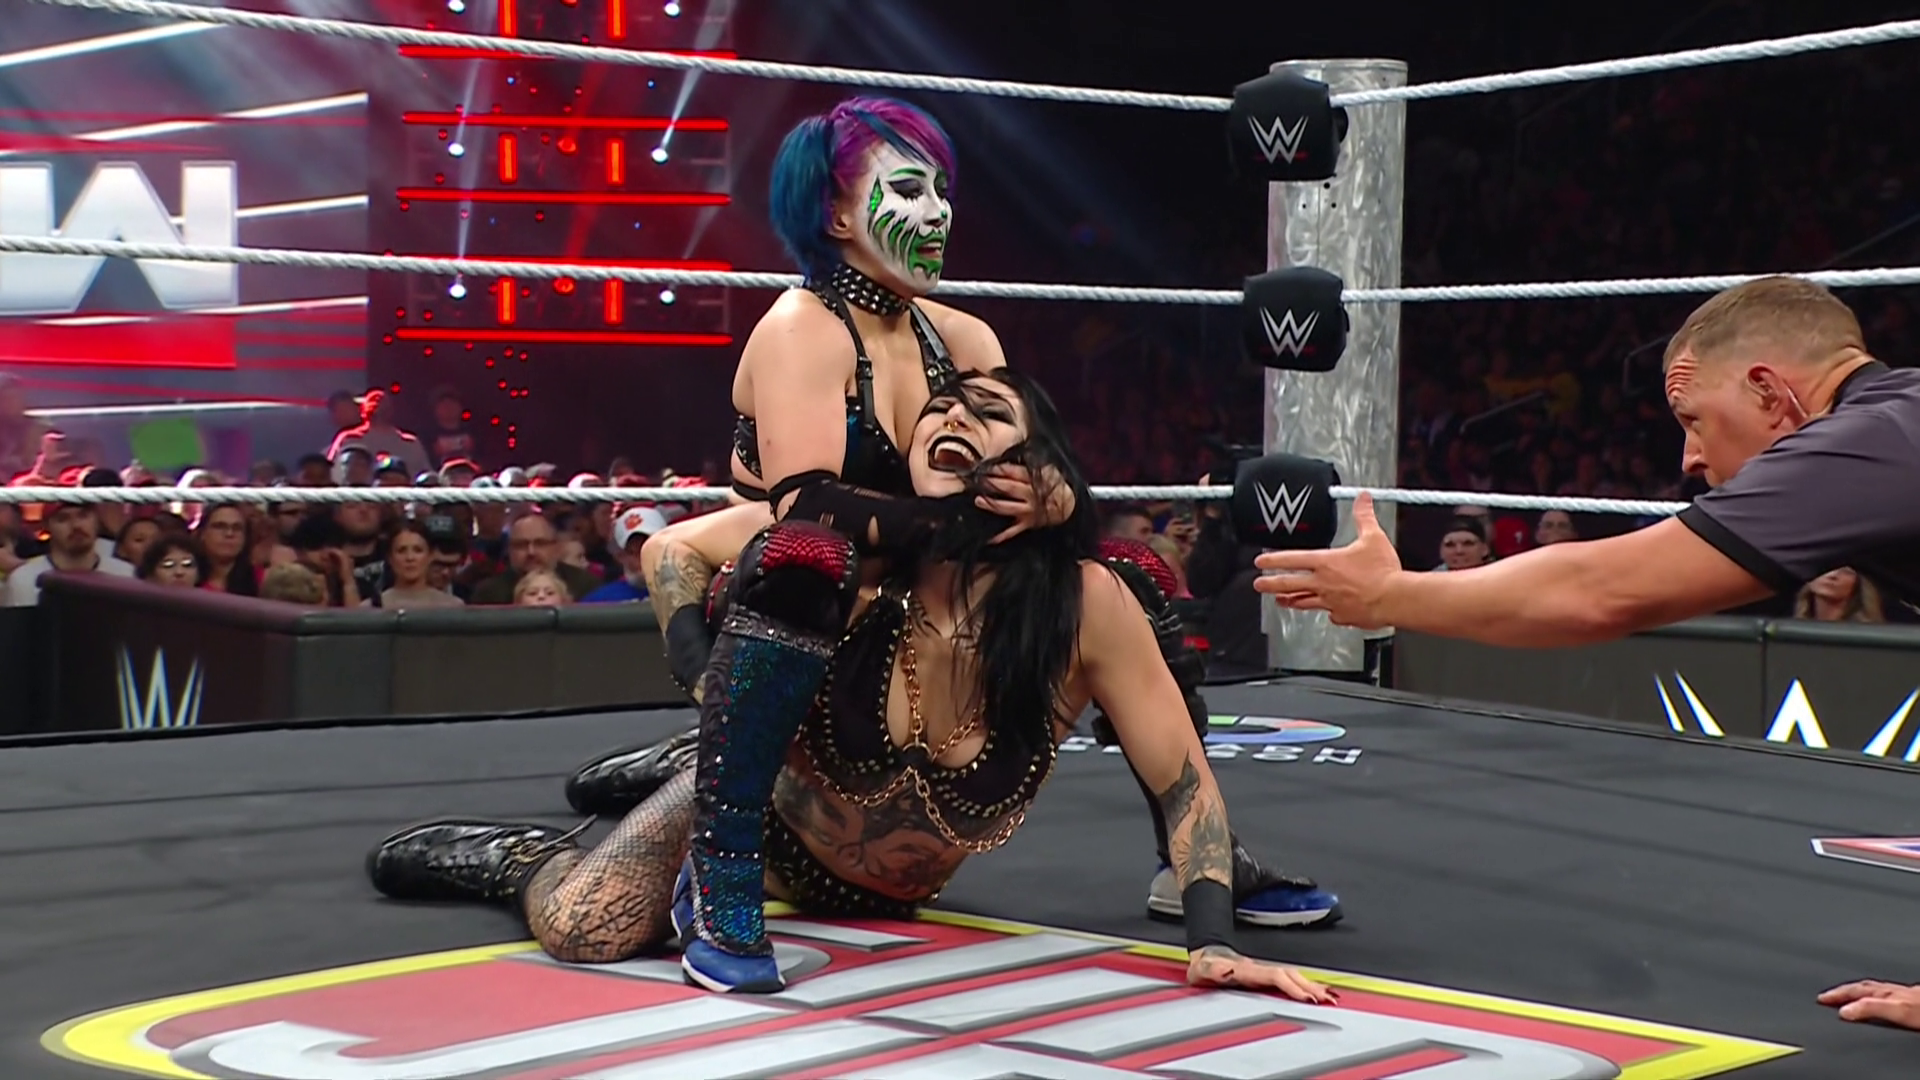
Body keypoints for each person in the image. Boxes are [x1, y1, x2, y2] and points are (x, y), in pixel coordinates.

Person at [589, 96, 1327, 936]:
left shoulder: (963, 339)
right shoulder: (803, 328)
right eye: (908, 189)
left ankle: (1192, 859)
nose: (938, 211)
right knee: (801, 556)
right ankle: (718, 763)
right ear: (836, 215)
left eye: (943, 189)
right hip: (804, 586)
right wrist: (970, 526)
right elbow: (811, 505)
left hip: (921, 584)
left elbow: (1026, 462)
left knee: (1132, 580)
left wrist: (1054, 496)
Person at [367, 370, 1335, 1003]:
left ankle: (666, 763)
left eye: (988, 412)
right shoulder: (852, 553)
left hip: (884, 884)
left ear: (1039, 469)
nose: (952, 417)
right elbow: (671, 553)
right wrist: (707, 686)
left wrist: (1212, 941)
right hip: (761, 813)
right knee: (588, 929)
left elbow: (1182, 780)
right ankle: (517, 855)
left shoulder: (1083, 604)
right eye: (939, 410)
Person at [1250, 276, 1920, 1029]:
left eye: (1693, 419)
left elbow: (1602, 591)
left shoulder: (1868, 444)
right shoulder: (1895, 427)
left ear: (1769, 392)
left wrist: (1390, 595)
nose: (1691, 456)